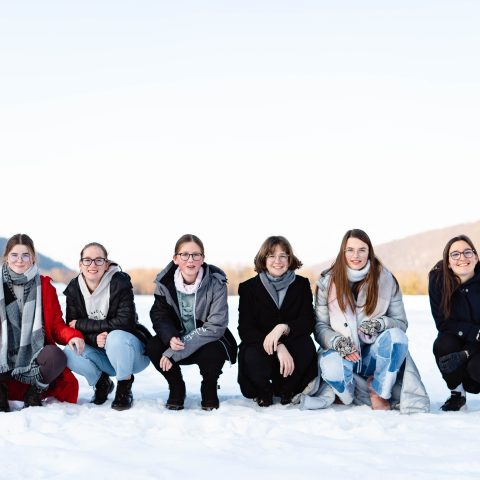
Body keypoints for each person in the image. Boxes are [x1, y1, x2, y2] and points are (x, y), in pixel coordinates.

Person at [306, 228, 429, 412]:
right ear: (343, 252)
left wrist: (380, 324)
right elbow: (320, 326)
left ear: (369, 252)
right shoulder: (327, 282)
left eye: (362, 250)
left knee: (397, 338)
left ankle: (379, 390)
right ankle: (347, 394)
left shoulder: (386, 280)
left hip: (373, 355)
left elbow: (401, 323)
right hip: (342, 353)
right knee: (331, 367)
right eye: (350, 250)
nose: (356, 255)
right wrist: (338, 342)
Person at [146, 234, 237, 411]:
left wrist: (174, 352)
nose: (190, 260)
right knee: (154, 346)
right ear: (175, 258)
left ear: (202, 258)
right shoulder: (164, 283)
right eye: (184, 254)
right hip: (177, 340)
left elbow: (216, 326)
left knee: (214, 350)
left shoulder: (216, 283)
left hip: (206, 341)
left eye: (196, 255)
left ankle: (209, 387)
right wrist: (170, 337)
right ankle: (176, 387)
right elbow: (159, 315)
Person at [0, 234, 85, 412]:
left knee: (56, 356)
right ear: (7, 257)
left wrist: (73, 336)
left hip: (33, 353)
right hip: (4, 353)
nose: (19, 260)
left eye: (25, 255)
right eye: (14, 255)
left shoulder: (44, 287)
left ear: (33, 258)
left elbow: (56, 324)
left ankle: (34, 391)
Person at [63, 242, 151, 411]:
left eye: (99, 260)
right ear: (80, 264)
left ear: (106, 264)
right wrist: (94, 338)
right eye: (87, 260)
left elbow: (126, 322)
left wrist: (84, 324)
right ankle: (102, 383)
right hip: (103, 357)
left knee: (115, 337)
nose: (93, 265)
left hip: (131, 354)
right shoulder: (74, 288)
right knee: (69, 351)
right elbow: (72, 329)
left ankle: (124, 387)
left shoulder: (120, 282)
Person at [237, 236, 318, 407]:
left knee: (305, 344)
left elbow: (308, 322)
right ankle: (263, 391)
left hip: (293, 344)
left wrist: (284, 327)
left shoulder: (301, 284)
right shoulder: (248, 288)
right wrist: (278, 345)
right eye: (271, 256)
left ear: (290, 259)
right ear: (263, 259)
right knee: (251, 352)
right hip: (261, 345)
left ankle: (288, 388)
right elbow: (245, 329)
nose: (277, 261)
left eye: (283, 256)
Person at [429, 234, 480, 411]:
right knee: (443, 344)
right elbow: (443, 323)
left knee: (477, 368)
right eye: (455, 254)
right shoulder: (438, 280)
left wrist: (467, 353)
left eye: (467, 252)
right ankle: (457, 394)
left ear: (476, 257)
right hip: (457, 338)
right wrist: (473, 333)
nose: (462, 258)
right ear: (448, 263)